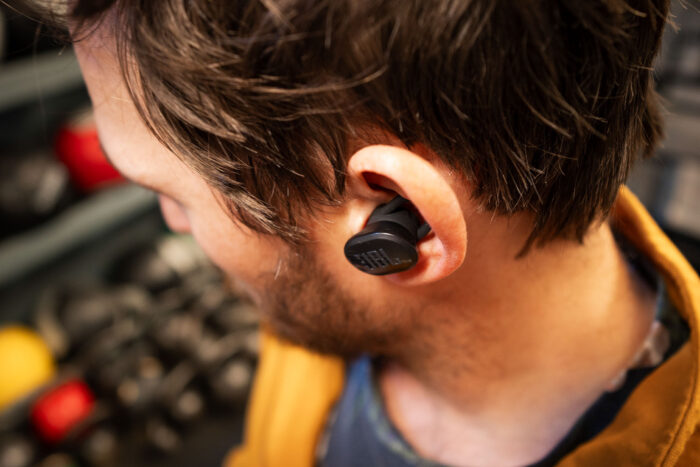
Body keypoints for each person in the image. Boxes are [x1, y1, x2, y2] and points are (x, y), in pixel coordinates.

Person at [22, 0, 700, 465]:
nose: (172, 223)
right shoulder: (322, 305)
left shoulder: (314, 285)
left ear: (401, 222)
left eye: (173, 195)